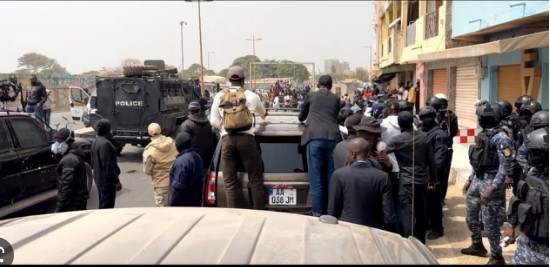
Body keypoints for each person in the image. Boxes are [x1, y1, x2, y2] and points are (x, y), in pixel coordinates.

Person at [461, 101, 512, 265]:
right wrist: (470, 179)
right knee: (471, 216)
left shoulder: (502, 138)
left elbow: (506, 164)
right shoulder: (484, 134)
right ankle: (477, 245)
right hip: (478, 179)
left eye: (482, 117)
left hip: (491, 182)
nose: (480, 120)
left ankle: (497, 257)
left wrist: (493, 187)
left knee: (490, 223)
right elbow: (479, 160)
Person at [210, 65, 267, 210]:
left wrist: (224, 129)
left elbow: (213, 121)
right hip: (247, 140)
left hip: (227, 140)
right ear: (243, 80)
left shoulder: (219, 96)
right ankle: (260, 212)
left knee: (230, 182)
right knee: (255, 180)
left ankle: (233, 214)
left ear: (229, 80)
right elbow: (263, 112)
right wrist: (263, 118)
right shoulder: (251, 96)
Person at [386, 111, 437, 244]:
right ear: (413, 122)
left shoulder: (396, 140)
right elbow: (432, 161)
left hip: (406, 182)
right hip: (422, 181)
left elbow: (382, 151)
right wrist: (433, 180)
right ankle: (421, 244)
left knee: (407, 214)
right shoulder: (424, 137)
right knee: (421, 214)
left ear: (399, 124)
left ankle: (408, 244)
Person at [501, 127, 549, 265]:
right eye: (533, 152)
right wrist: (511, 226)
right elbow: (519, 200)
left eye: (538, 153)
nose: (533, 157)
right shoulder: (533, 174)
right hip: (528, 247)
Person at [328, 137, 396, 232]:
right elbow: (389, 216)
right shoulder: (382, 177)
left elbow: (332, 211)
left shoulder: (339, 175)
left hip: (346, 230)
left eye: (347, 152)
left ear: (353, 154)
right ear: (368, 153)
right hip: (374, 232)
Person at [298, 74, 341, 217]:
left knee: (316, 180)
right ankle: (330, 213)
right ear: (330, 85)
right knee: (330, 178)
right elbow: (333, 116)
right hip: (332, 139)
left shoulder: (311, 96)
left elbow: (302, 116)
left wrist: (302, 118)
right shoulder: (336, 98)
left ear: (318, 85)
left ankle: (317, 214)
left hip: (315, 138)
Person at [418, 106, 449, 240]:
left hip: (435, 174)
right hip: (424, 172)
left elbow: (439, 158)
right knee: (426, 202)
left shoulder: (439, 134)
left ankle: (437, 229)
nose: (426, 121)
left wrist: (432, 177)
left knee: (434, 202)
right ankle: (429, 224)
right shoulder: (423, 131)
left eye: (428, 118)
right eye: (424, 118)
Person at [52, 128, 89, 212]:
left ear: (68, 142)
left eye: (59, 141)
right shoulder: (71, 155)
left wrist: (60, 207)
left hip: (72, 204)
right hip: (75, 202)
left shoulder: (69, 160)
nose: (56, 145)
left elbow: (67, 186)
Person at [143, 123, 178, 207]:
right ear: (161, 130)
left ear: (149, 133)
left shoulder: (150, 150)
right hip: (175, 181)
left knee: (162, 212)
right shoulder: (172, 142)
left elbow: (147, 171)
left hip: (161, 185)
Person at [431, 94, 458, 202]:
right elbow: (454, 132)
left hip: (435, 148)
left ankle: (435, 196)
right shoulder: (451, 115)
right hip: (446, 148)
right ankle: (440, 198)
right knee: (443, 174)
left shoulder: (431, 113)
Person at [91, 119, 122, 209]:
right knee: (106, 208)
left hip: (98, 179)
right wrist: (116, 181)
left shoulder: (95, 141)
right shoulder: (105, 144)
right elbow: (109, 166)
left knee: (103, 204)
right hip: (106, 182)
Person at [180, 100, 218, 173]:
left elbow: (182, 143)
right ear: (199, 110)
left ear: (189, 110)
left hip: (193, 159)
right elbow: (214, 140)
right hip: (208, 158)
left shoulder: (186, 125)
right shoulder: (208, 123)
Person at [167, 132, 204, 207]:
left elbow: (177, 188)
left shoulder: (182, 161)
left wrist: (170, 206)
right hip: (196, 202)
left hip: (183, 205)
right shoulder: (197, 157)